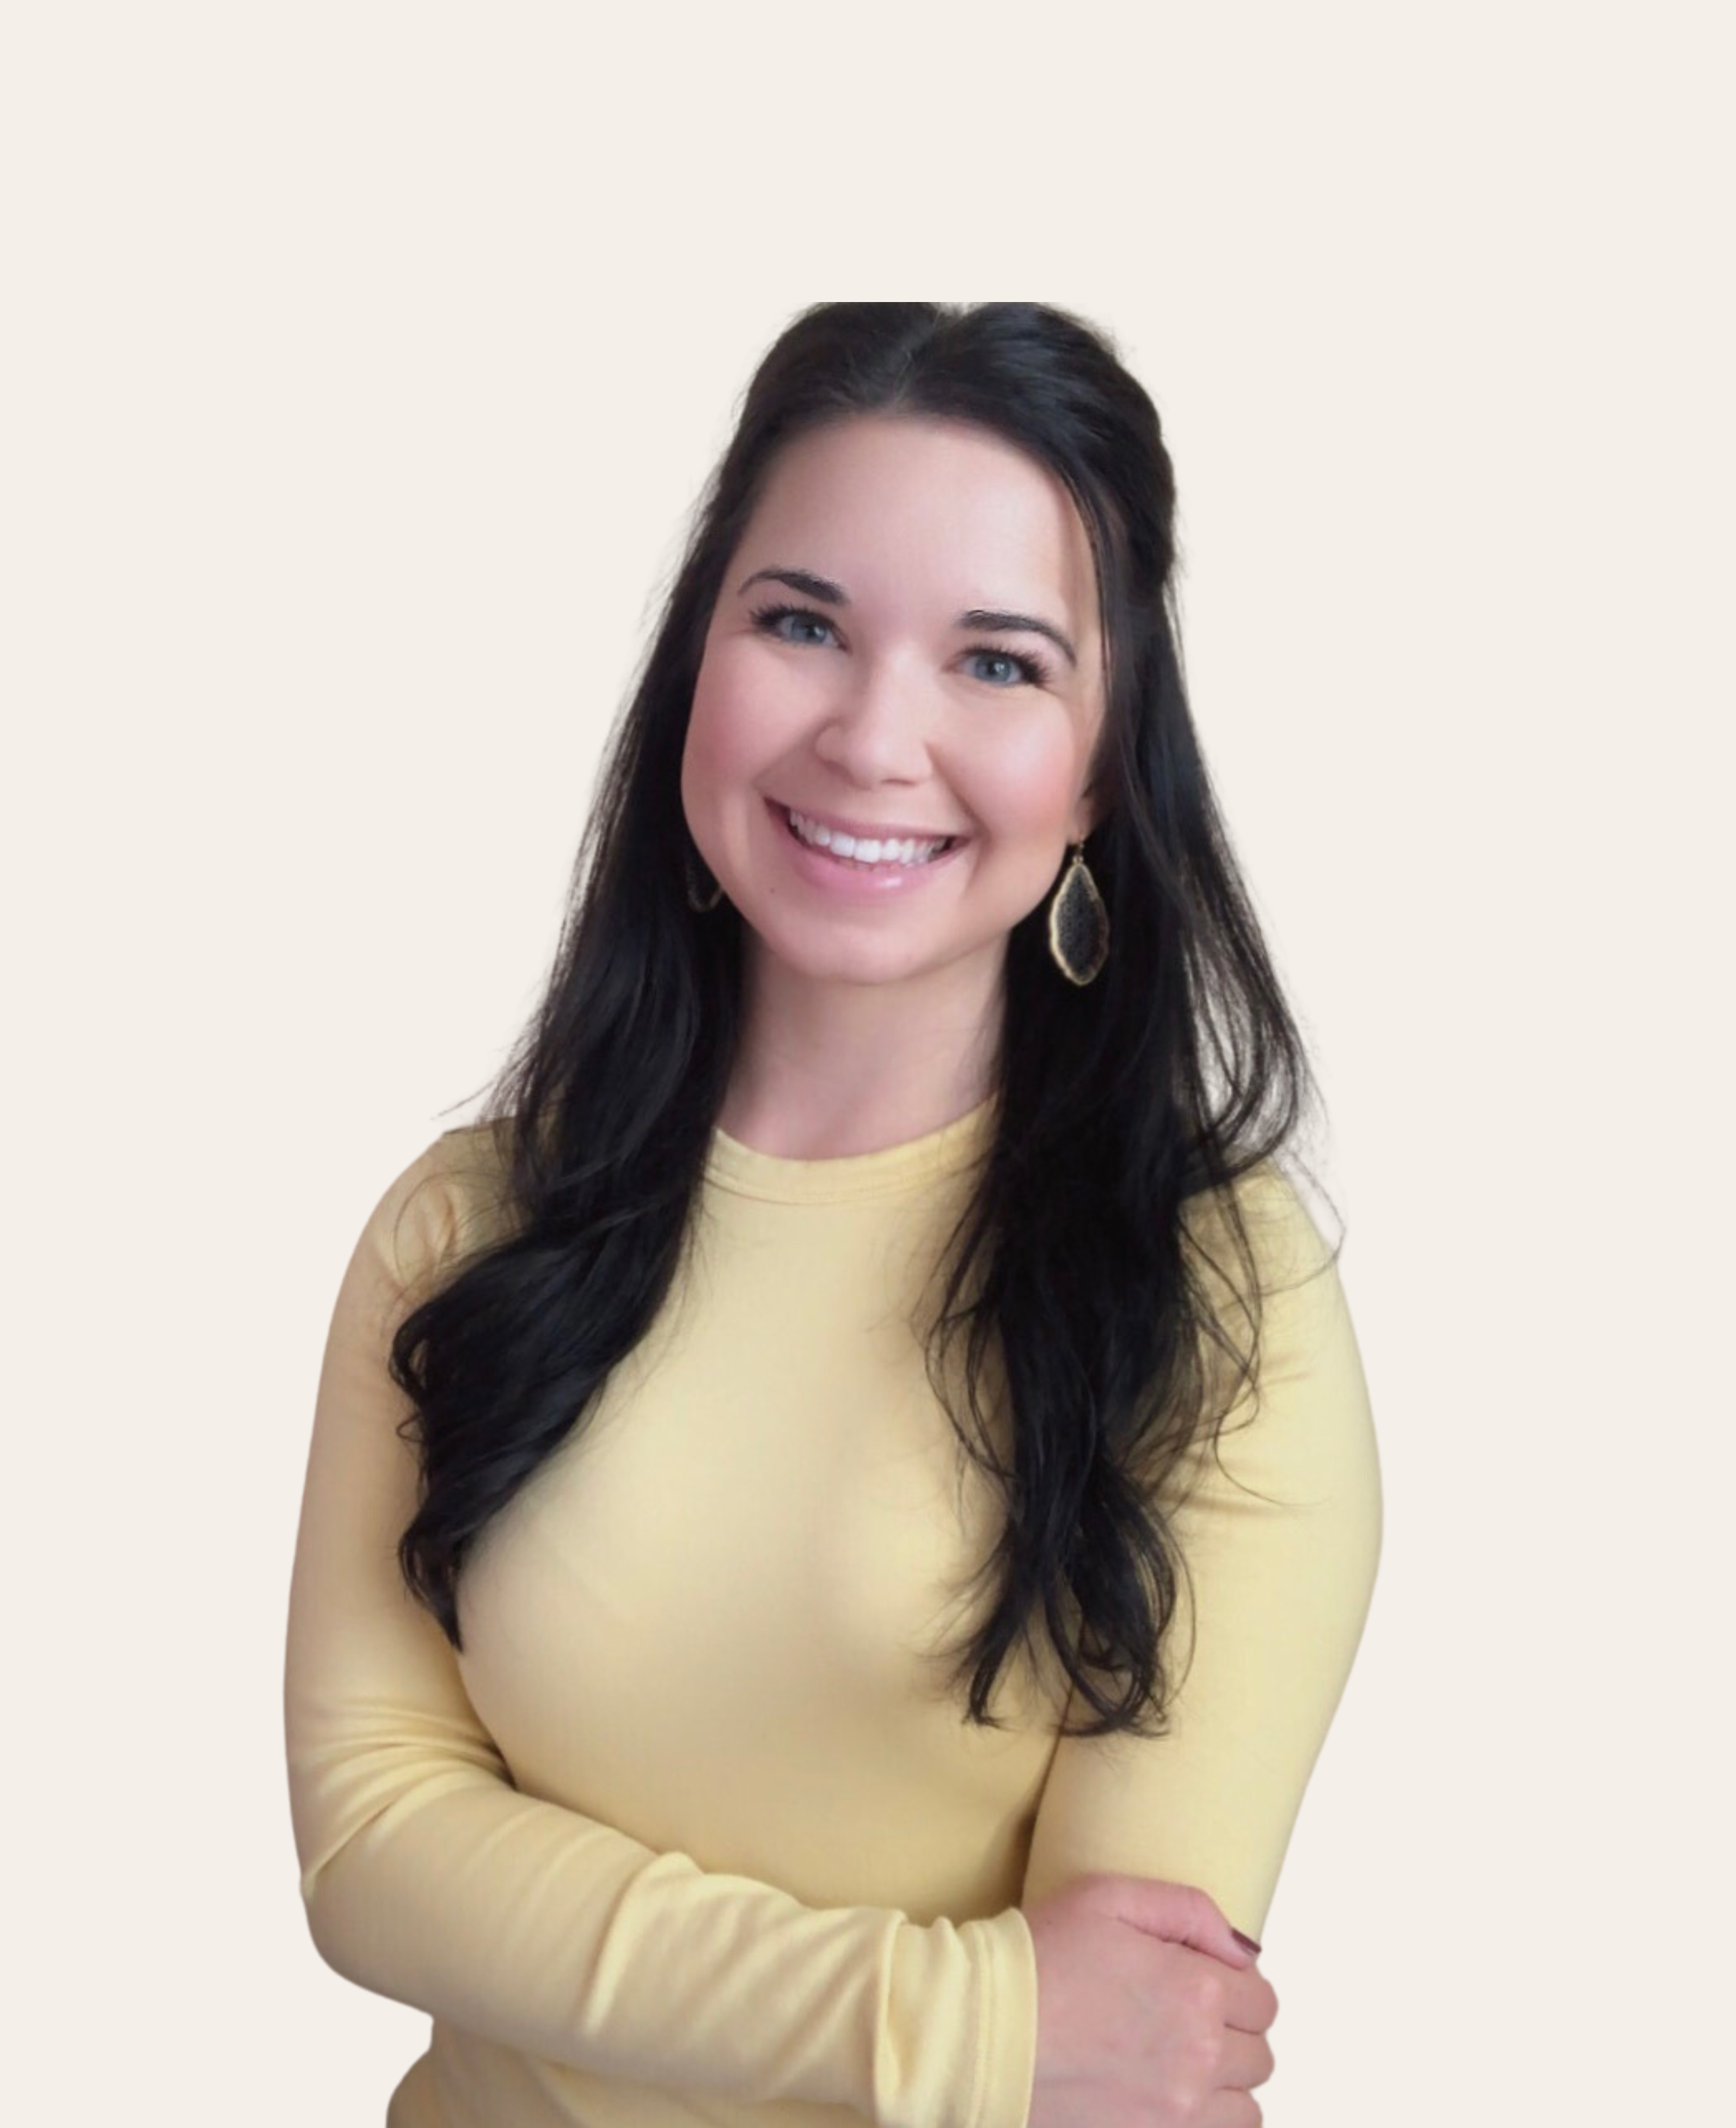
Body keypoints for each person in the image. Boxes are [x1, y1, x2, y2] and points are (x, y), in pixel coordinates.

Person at [285, 300, 1382, 2128]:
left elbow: (1124, 2058)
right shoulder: (465, 1227)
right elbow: (373, 1840)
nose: (876, 737)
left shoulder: (1212, 1293)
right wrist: (957, 2023)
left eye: (998, 663)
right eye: (801, 622)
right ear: (693, 666)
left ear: (1102, 770)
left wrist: (1032, 2040)